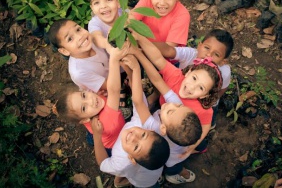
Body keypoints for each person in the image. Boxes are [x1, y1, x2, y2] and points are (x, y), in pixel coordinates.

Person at [134, 33, 222, 158]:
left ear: (204, 95)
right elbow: (158, 58)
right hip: (167, 117)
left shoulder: (202, 110)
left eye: (201, 88)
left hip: (185, 135)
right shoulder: (175, 76)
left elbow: (206, 125)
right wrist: (139, 38)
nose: (192, 87)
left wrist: (192, 147)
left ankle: (200, 149)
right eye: (194, 78)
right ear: (189, 72)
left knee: (189, 147)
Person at [91, 53, 170, 188]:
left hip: (144, 182)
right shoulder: (142, 123)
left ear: (132, 159)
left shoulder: (122, 161)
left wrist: (97, 136)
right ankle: (120, 181)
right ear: (149, 129)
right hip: (150, 170)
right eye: (143, 135)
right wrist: (129, 70)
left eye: (136, 147)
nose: (134, 137)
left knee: (140, 181)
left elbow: (104, 164)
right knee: (125, 173)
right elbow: (137, 97)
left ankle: (121, 182)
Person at [127, 49, 202, 184]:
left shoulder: (154, 128)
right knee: (188, 150)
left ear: (163, 128)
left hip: (173, 157)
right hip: (183, 146)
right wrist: (138, 53)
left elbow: (139, 102)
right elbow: (157, 80)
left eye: (170, 111)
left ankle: (178, 175)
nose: (171, 105)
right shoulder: (177, 114)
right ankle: (199, 148)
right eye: (179, 106)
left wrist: (135, 70)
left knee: (173, 166)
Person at [47, 19, 132, 121]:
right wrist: (117, 60)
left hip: (112, 70)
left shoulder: (91, 40)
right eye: (70, 39)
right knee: (114, 109)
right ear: (64, 51)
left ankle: (125, 82)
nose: (80, 37)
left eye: (78, 29)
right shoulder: (79, 72)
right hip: (103, 88)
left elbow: (104, 41)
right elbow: (110, 86)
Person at [52, 43, 128, 155]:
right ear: (84, 121)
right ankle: (93, 139)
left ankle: (91, 138)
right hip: (116, 143)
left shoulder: (90, 111)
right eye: (84, 108)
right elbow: (114, 90)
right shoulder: (107, 121)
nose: (91, 100)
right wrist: (114, 59)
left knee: (95, 135)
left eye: (83, 96)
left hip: (100, 131)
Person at [153, 29, 234, 130]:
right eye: (207, 48)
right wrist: (145, 42)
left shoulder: (224, 72)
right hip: (181, 90)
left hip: (204, 103)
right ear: (199, 45)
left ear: (223, 61)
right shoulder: (190, 54)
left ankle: (210, 126)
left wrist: (211, 101)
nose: (209, 55)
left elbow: (222, 89)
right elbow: (169, 51)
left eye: (216, 54)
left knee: (202, 121)